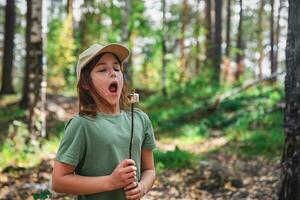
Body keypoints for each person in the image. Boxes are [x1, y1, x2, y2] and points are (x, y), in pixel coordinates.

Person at [51, 43, 157, 200]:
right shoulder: (81, 125)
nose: (113, 74)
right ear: (86, 84)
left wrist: (142, 187)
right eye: (102, 70)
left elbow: (150, 170)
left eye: (116, 68)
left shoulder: (140, 119)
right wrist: (111, 182)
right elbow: (59, 181)